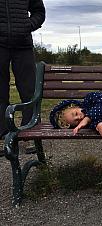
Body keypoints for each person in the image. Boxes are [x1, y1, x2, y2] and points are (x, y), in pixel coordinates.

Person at [0, 0, 46, 140]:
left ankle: (31, 132)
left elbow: (39, 12)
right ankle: (2, 134)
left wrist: (28, 25)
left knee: (29, 90)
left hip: (23, 45)